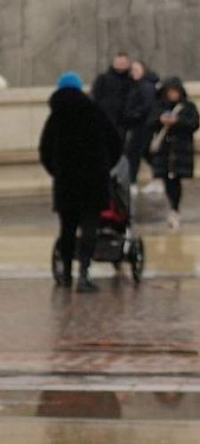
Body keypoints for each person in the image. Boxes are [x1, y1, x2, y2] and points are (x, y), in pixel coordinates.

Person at [39, 72, 123, 292]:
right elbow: (115, 142)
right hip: (93, 179)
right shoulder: (95, 111)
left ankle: (66, 274)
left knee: (67, 229)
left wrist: (57, 171)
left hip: (66, 181)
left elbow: (44, 150)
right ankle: (84, 274)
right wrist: (105, 167)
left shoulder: (55, 116)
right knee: (89, 227)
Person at [149, 78, 200, 231]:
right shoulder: (159, 107)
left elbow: (194, 124)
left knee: (175, 180)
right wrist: (161, 120)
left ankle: (174, 208)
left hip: (180, 150)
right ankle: (173, 208)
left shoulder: (188, 107)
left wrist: (177, 121)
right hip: (165, 150)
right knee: (168, 179)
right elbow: (149, 123)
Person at [123, 59, 159, 186]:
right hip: (140, 125)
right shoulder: (137, 85)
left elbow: (146, 106)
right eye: (132, 70)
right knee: (144, 154)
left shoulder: (145, 86)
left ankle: (132, 182)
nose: (134, 72)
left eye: (137, 70)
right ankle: (157, 178)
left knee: (134, 154)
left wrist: (132, 114)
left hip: (143, 125)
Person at [91, 52, 134, 137]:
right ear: (114, 63)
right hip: (104, 119)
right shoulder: (103, 78)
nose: (121, 65)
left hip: (123, 121)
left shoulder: (132, 81)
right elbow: (95, 97)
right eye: (119, 63)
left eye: (123, 63)